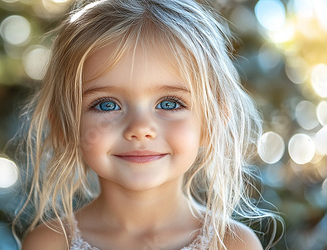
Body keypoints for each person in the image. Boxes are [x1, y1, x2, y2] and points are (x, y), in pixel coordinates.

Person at [14, 0, 283, 249]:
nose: (140, 128)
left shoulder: (232, 245)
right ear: (63, 125)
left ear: (212, 122)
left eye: (169, 103)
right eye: (107, 104)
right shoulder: (49, 244)